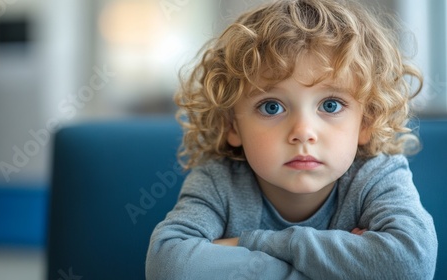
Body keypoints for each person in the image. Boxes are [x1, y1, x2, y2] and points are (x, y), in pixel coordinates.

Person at [146, 0, 438, 279]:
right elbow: (170, 267)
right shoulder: (218, 181)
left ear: (367, 121)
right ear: (232, 125)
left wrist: (248, 244)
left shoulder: (376, 175)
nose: (303, 131)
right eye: (272, 106)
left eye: (330, 105)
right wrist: (346, 268)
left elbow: (411, 264)